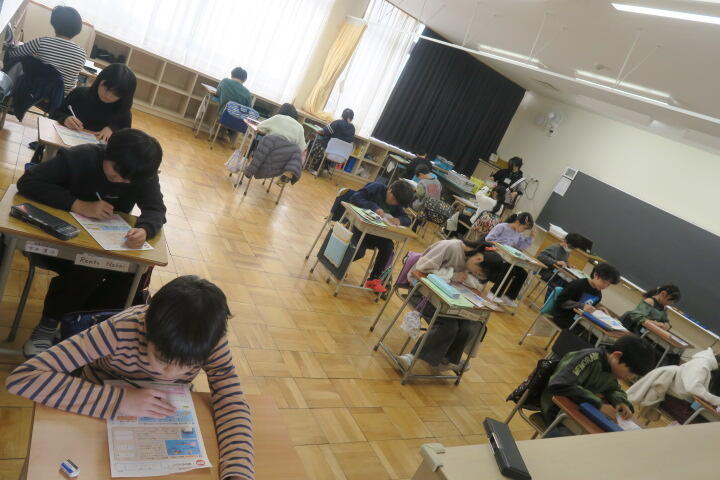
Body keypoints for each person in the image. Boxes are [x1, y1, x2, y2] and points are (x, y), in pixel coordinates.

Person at [5, 275, 254, 480]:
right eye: (163, 359)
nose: (172, 374)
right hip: (98, 405)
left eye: (188, 366)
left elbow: (231, 399)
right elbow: (25, 378)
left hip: (164, 417)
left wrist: (238, 471)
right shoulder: (119, 330)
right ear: (146, 328)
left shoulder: (209, 340)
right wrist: (119, 401)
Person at [17, 128, 166, 357]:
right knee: (91, 265)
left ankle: (82, 324)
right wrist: (77, 204)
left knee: (131, 273)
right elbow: (28, 182)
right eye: (117, 173)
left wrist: (145, 229)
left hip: (102, 241)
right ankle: (48, 326)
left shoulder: (138, 173)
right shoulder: (80, 157)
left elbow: (156, 209)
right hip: (56, 240)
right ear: (108, 153)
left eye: (129, 179)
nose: (123, 181)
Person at [396, 239, 504, 371]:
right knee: (449, 326)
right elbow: (422, 268)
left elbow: (466, 284)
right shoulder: (449, 247)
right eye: (477, 273)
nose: (474, 274)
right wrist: (452, 275)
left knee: (467, 327)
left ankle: (445, 360)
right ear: (478, 259)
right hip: (422, 293)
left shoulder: (469, 260)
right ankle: (411, 357)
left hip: (446, 301)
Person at [540, 335, 655, 427]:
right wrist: (599, 405)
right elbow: (560, 384)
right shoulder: (589, 358)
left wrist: (621, 402)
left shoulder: (611, 369)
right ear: (617, 356)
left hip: (580, 411)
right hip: (556, 411)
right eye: (631, 372)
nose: (630, 378)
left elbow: (613, 389)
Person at [349, 180, 415, 293]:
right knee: (359, 252)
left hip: (376, 233)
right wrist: (373, 207)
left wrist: (399, 220)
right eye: (393, 199)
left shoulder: (397, 203)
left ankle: (374, 280)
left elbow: (407, 219)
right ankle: (340, 264)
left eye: (397, 203)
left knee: (388, 246)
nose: (394, 203)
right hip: (358, 228)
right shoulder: (377, 188)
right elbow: (355, 197)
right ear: (390, 189)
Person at [9, 6, 86, 96]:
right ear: (77, 28)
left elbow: (13, 54)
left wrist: (15, 45)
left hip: (33, 93)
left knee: (20, 62)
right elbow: (72, 82)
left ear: (54, 23)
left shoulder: (42, 42)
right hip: (59, 98)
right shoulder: (82, 54)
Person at [51, 63, 137, 142]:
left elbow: (125, 141)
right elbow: (55, 113)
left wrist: (113, 130)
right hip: (63, 144)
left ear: (124, 96)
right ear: (99, 80)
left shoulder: (124, 113)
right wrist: (65, 119)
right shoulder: (79, 94)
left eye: (116, 94)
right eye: (106, 88)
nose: (108, 96)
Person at [485, 212, 535, 307]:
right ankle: (493, 293)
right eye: (524, 228)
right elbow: (488, 239)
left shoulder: (518, 234)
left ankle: (508, 297)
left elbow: (521, 247)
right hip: (495, 254)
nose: (523, 231)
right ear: (517, 222)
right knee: (509, 269)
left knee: (523, 273)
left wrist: (531, 238)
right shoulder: (502, 227)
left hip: (507, 258)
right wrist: (500, 246)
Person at [552, 262, 621, 329]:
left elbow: (587, 309)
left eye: (608, 284)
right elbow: (560, 301)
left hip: (578, 321)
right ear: (596, 275)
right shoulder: (579, 284)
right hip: (563, 317)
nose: (605, 286)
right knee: (580, 334)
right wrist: (582, 306)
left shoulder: (598, 295)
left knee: (590, 334)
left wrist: (597, 310)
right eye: (604, 282)